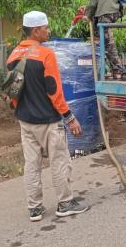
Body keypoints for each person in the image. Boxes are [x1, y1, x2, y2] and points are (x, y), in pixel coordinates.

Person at [6, 11, 89, 221]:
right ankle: (64, 203)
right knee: (59, 161)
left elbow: (12, 91)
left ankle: (34, 208)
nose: (48, 31)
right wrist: (70, 118)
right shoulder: (46, 55)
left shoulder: (13, 55)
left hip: (25, 121)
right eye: (46, 28)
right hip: (49, 122)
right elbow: (54, 92)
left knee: (31, 164)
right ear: (36, 31)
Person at [83, 0, 124, 79]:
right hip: (114, 13)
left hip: (104, 14)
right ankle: (112, 70)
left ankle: (116, 70)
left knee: (105, 43)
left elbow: (94, 1)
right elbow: (107, 0)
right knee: (104, 40)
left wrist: (87, 15)